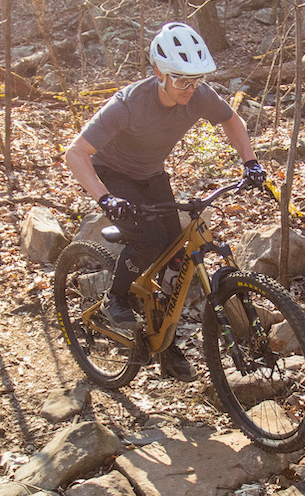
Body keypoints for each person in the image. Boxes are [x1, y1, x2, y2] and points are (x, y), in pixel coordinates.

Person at [64, 22, 267, 379]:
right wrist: (105, 199)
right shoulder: (128, 104)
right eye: (181, 80)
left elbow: (232, 120)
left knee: (174, 251)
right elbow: (76, 153)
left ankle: (163, 342)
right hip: (112, 171)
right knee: (148, 238)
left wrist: (250, 162)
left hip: (151, 173)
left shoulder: (199, 95)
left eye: (196, 80)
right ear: (159, 72)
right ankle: (116, 298)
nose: (190, 89)